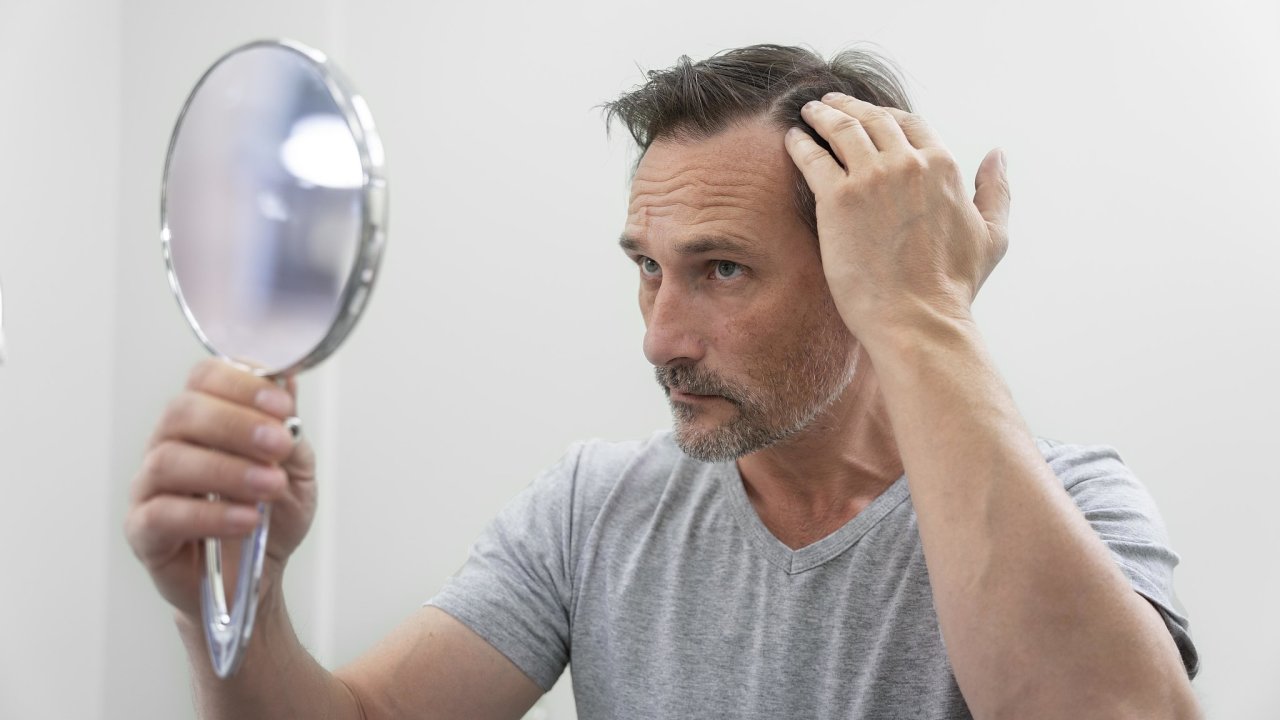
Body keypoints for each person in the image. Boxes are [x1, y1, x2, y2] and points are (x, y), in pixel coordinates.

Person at [125, 44, 1201, 719]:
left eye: (720, 269)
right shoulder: (594, 509)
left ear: (861, 267)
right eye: (647, 267)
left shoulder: (1078, 504)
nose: (659, 338)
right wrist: (236, 611)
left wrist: (925, 310)